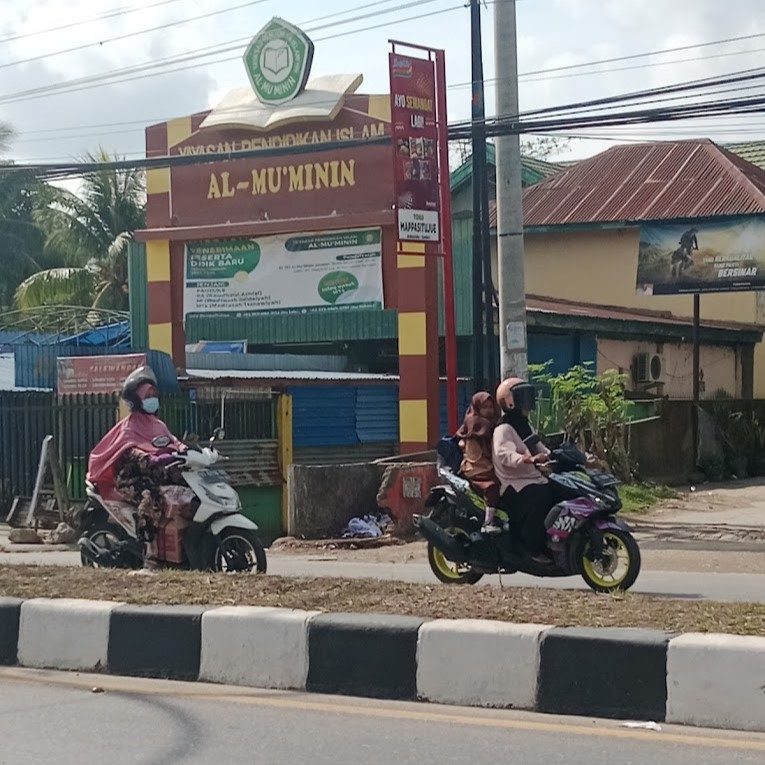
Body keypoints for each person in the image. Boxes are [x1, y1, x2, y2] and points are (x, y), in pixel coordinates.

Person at [87, 366, 185, 568]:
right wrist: (152, 459)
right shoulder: (129, 426)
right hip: (130, 479)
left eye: (153, 394)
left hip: (156, 475)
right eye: (147, 395)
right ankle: (149, 553)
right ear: (137, 399)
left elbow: (174, 441)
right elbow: (131, 450)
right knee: (150, 498)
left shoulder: (158, 424)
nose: (152, 398)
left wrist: (186, 450)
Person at [492, 377, 556, 563]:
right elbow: (505, 455)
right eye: (523, 396)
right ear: (510, 401)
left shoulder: (524, 424)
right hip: (514, 483)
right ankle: (532, 549)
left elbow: (538, 446)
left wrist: (553, 454)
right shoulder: (504, 428)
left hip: (531, 477)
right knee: (540, 498)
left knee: (557, 490)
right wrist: (528, 459)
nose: (528, 400)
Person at [456, 392, 501, 535]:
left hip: (486, 464)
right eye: (485, 407)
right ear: (477, 408)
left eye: (490, 407)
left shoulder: (491, 423)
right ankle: (488, 522)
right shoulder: (477, 424)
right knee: (493, 485)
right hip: (477, 467)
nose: (489, 410)